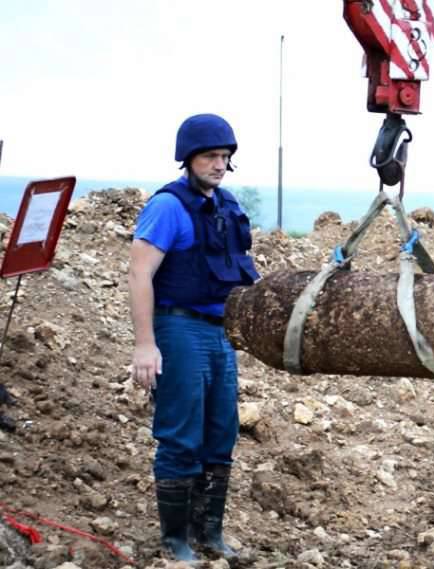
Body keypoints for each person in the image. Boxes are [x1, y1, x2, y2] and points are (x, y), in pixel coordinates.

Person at [128, 113, 259, 562]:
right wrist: (146, 345)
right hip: (178, 327)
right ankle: (176, 541)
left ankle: (210, 535)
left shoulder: (226, 206)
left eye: (224, 157)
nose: (219, 165)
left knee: (221, 432)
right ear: (189, 158)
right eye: (210, 156)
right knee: (180, 435)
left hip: (219, 332)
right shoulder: (168, 207)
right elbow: (140, 272)